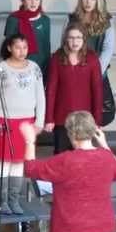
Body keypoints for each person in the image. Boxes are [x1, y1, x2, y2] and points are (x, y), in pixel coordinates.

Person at [20, 111, 116, 232]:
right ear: (93, 132)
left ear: (71, 133)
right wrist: (104, 144)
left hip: (71, 230)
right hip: (105, 229)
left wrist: (29, 141)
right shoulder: (106, 157)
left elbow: (30, 168)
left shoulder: (65, 160)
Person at [0, 33, 45, 214]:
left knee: (18, 162)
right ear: (9, 47)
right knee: (4, 162)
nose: (22, 51)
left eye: (25, 48)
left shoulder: (34, 68)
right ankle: (2, 201)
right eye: (18, 47)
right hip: (4, 122)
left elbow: (41, 96)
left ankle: (14, 199)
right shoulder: (1, 69)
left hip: (26, 123)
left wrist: (39, 121)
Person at [44, 22, 103, 154]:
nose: (74, 41)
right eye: (71, 38)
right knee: (61, 157)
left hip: (85, 119)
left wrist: (97, 120)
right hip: (61, 118)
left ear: (84, 40)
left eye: (78, 38)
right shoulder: (57, 57)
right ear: (66, 39)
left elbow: (97, 91)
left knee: (83, 159)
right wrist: (49, 118)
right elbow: (51, 90)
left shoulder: (92, 58)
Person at [69, 0, 116, 126]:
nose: (88, 2)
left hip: (97, 73)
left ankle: (93, 144)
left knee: (104, 113)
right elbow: (65, 45)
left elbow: (108, 49)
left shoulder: (107, 21)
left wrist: (95, 72)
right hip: (76, 72)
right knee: (76, 113)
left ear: (98, 1)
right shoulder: (72, 19)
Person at [4, 0, 51, 83]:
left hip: (40, 68)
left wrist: (47, 71)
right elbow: (7, 48)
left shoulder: (45, 20)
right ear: (23, 0)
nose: (34, 3)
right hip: (18, 69)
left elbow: (46, 47)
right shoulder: (13, 19)